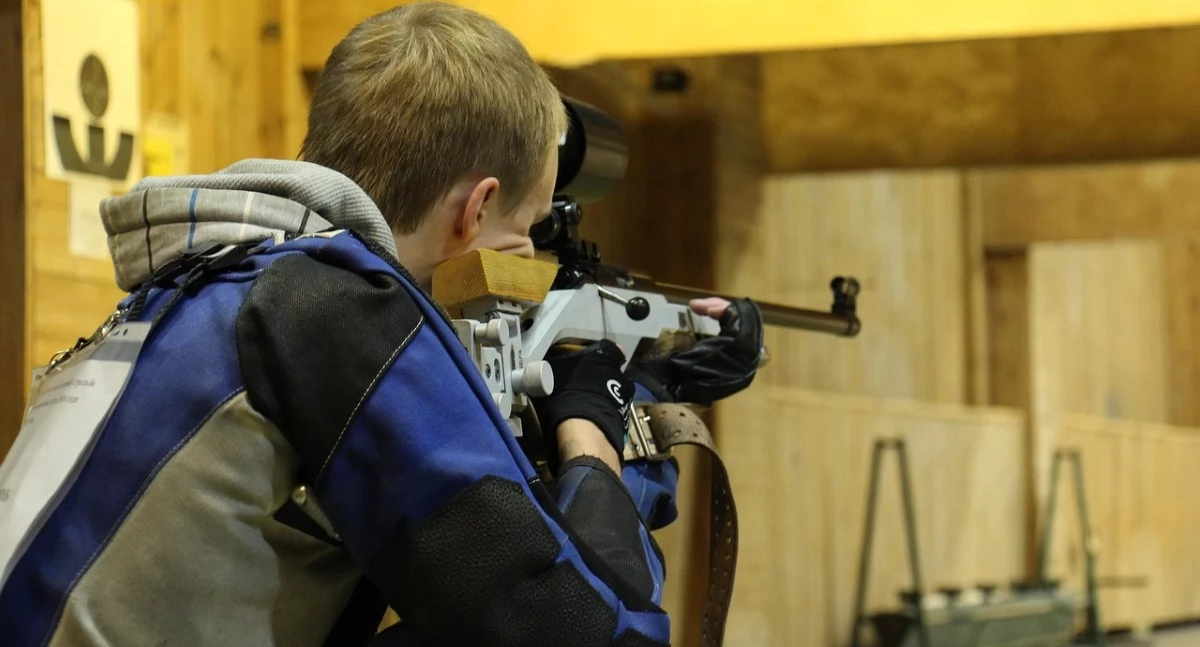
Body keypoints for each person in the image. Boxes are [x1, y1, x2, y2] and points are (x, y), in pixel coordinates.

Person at [0, 3, 762, 646]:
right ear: (474, 208)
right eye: (523, 236)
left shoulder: (208, 285)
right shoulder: (335, 310)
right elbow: (588, 628)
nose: (525, 268)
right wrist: (595, 429)